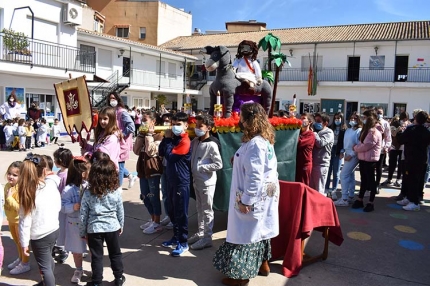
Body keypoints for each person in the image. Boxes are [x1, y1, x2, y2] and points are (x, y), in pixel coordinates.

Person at [213, 103, 279, 286]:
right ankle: (263, 264)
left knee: (245, 234)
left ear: (248, 119)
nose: (239, 120)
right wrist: (238, 159)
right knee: (260, 231)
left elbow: (255, 176)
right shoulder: (262, 141)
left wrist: (246, 200)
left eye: (241, 117)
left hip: (253, 197)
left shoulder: (256, 144)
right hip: (265, 196)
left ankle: (241, 277)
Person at [80, 158, 125, 286]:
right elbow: (120, 210)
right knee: (115, 254)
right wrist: (121, 225)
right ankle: (119, 278)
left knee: (97, 256)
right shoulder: (115, 192)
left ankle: (96, 282)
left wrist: (82, 231)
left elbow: (83, 214)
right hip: (112, 227)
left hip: (94, 229)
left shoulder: (88, 193)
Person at [18, 154, 60, 286]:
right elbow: (58, 205)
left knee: (45, 267)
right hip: (53, 229)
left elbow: (24, 222)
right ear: (44, 171)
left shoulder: (28, 193)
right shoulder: (51, 184)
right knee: (48, 261)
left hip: (39, 236)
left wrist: (24, 242)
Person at [159, 112, 192, 256]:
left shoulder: (185, 141)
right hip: (171, 179)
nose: (175, 127)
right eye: (173, 124)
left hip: (181, 182)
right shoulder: (173, 139)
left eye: (178, 124)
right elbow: (161, 152)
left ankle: (183, 242)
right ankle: (175, 236)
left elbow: (171, 157)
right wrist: (166, 140)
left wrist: (167, 140)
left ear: (186, 125)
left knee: (181, 213)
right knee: (172, 210)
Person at [189, 114, 223, 250]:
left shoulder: (212, 144)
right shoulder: (196, 141)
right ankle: (201, 232)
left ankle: (207, 237)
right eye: (196, 126)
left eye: (200, 126)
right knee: (199, 208)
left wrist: (201, 168)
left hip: (207, 182)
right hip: (196, 180)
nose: (197, 128)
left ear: (208, 127)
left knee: (207, 209)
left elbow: (218, 164)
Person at [133, 111, 164, 234]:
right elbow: (135, 151)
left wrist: (150, 135)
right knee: (145, 196)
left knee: (153, 196)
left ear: (153, 122)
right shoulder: (143, 133)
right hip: (142, 168)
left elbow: (151, 152)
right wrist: (141, 136)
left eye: (145, 120)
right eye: (142, 119)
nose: (143, 122)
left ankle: (157, 222)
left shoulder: (159, 135)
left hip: (152, 169)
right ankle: (152, 219)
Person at [62, 157, 90, 283]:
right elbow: (62, 207)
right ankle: (78, 269)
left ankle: (96, 268)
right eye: (86, 171)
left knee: (93, 248)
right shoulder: (68, 189)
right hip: (74, 223)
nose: (88, 173)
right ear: (79, 172)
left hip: (89, 223)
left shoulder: (88, 186)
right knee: (76, 249)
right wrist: (72, 207)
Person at [396, 111, 430, 211]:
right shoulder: (426, 131)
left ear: (416, 119)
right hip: (421, 159)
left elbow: (401, 140)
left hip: (411, 158)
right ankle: (409, 198)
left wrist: (399, 132)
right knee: (411, 179)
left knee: (412, 180)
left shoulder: (411, 129)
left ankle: (414, 202)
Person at [351, 110, 382, 212]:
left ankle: (371, 202)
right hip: (363, 159)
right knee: (364, 180)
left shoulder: (374, 132)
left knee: (371, 181)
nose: (363, 119)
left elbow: (366, 146)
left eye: (365, 117)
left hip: (370, 159)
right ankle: (360, 199)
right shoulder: (366, 130)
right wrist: (357, 147)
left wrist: (355, 148)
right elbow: (362, 143)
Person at [4, 161, 31, 275]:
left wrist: (9, 198)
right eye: (9, 173)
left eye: (15, 175)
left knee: (22, 243)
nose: (11, 177)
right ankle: (20, 259)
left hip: (19, 221)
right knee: (16, 242)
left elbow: (20, 209)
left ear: (22, 176)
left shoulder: (21, 189)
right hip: (10, 219)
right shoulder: (7, 186)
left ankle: (25, 264)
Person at [106, 92, 136, 188]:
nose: (112, 100)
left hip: (121, 144)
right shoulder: (110, 111)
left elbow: (131, 126)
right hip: (112, 142)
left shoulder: (122, 112)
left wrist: (121, 135)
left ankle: (118, 188)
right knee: (114, 163)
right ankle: (130, 175)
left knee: (119, 166)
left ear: (118, 99)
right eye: (110, 98)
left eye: (114, 98)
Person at [334, 114, 362, 206]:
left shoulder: (359, 130)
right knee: (350, 175)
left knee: (343, 174)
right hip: (347, 153)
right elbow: (344, 142)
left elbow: (359, 144)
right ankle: (350, 195)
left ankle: (344, 198)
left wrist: (352, 154)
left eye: (355, 118)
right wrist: (342, 151)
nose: (352, 120)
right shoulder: (348, 130)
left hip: (353, 154)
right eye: (351, 118)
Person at [52, 147, 73, 263]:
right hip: (60, 205)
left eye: (55, 158)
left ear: (60, 160)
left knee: (64, 227)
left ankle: (64, 249)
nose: (54, 160)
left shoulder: (64, 175)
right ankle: (62, 245)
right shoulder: (61, 172)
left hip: (63, 205)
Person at [310, 112, 334, 195]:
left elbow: (320, 143)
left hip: (321, 165)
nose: (316, 123)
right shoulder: (317, 131)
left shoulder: (328, 132)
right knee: (311, 188)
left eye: (319, 121)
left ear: (325, 123)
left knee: (319, 189)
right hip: (313, 163)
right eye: (315, 120)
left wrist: (314, 134)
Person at [326, 112, 347, 200]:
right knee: (328, 170)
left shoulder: (344, 130)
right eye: (335, 118)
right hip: (330, 150)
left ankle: (334, 190)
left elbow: (345, 142)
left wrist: (342, 151)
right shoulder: (330, 128)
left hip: (338, 151)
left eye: (339, 118)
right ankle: (326, 189)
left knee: (336, 172)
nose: (337, 120)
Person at [295, 112, 315, 185]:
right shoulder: (298, 132)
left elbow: (299, 143)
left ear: (310, 122)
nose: (301, 120)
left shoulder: (311, 135)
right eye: (300, 118)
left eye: (304, 118)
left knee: (303, 185)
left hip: (305, 164)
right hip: (297, 163)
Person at [375, 107, 391, 191]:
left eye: (380, 113)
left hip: (381, 149)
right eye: (377, 112)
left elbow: (388, 136)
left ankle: (377, 184)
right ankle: (369, 185)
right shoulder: (372, 122)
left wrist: (386, 146)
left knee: (379, 167)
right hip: (371, 149)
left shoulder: (385, 123)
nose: (379, 114)